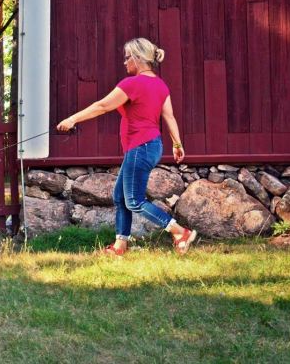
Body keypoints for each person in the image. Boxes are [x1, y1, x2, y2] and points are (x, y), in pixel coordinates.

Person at [55, 38, 197, 255]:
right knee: (120, 197)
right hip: (152, 146)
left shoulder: (132, 84)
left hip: (141, 146)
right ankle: (120, 246)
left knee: (134, 201)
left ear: (139, 59)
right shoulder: (160, 85)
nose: (125, 62)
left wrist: (72, 119)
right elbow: (169, 117)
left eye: (127, 57)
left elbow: (103, 106)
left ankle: (179, 231)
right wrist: (177, 144)